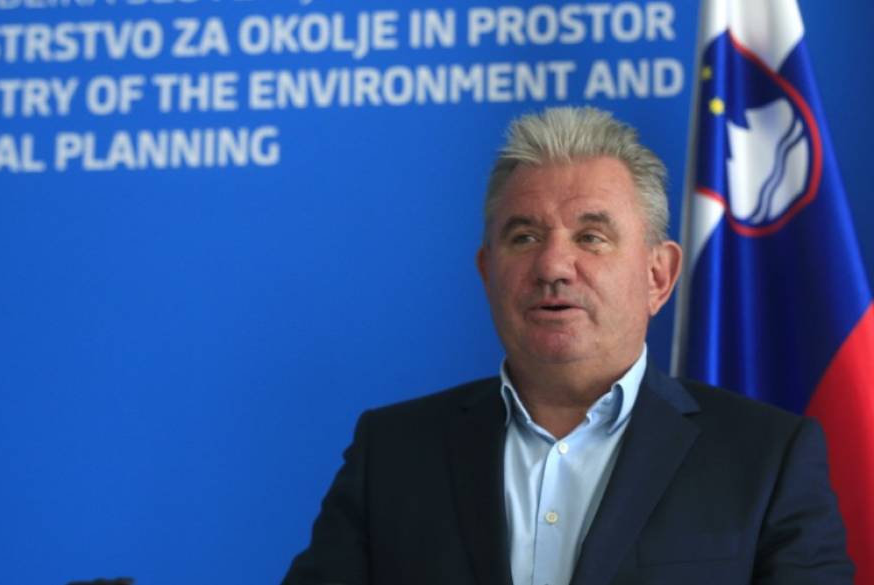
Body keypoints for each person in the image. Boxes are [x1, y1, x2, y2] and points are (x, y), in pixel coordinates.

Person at [281, 107, 853, 585]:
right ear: (487, 272)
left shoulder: (767, 459)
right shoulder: (392, 454)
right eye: (524, 236)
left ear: (658, 276)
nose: (553, 265)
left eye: (591, 237)